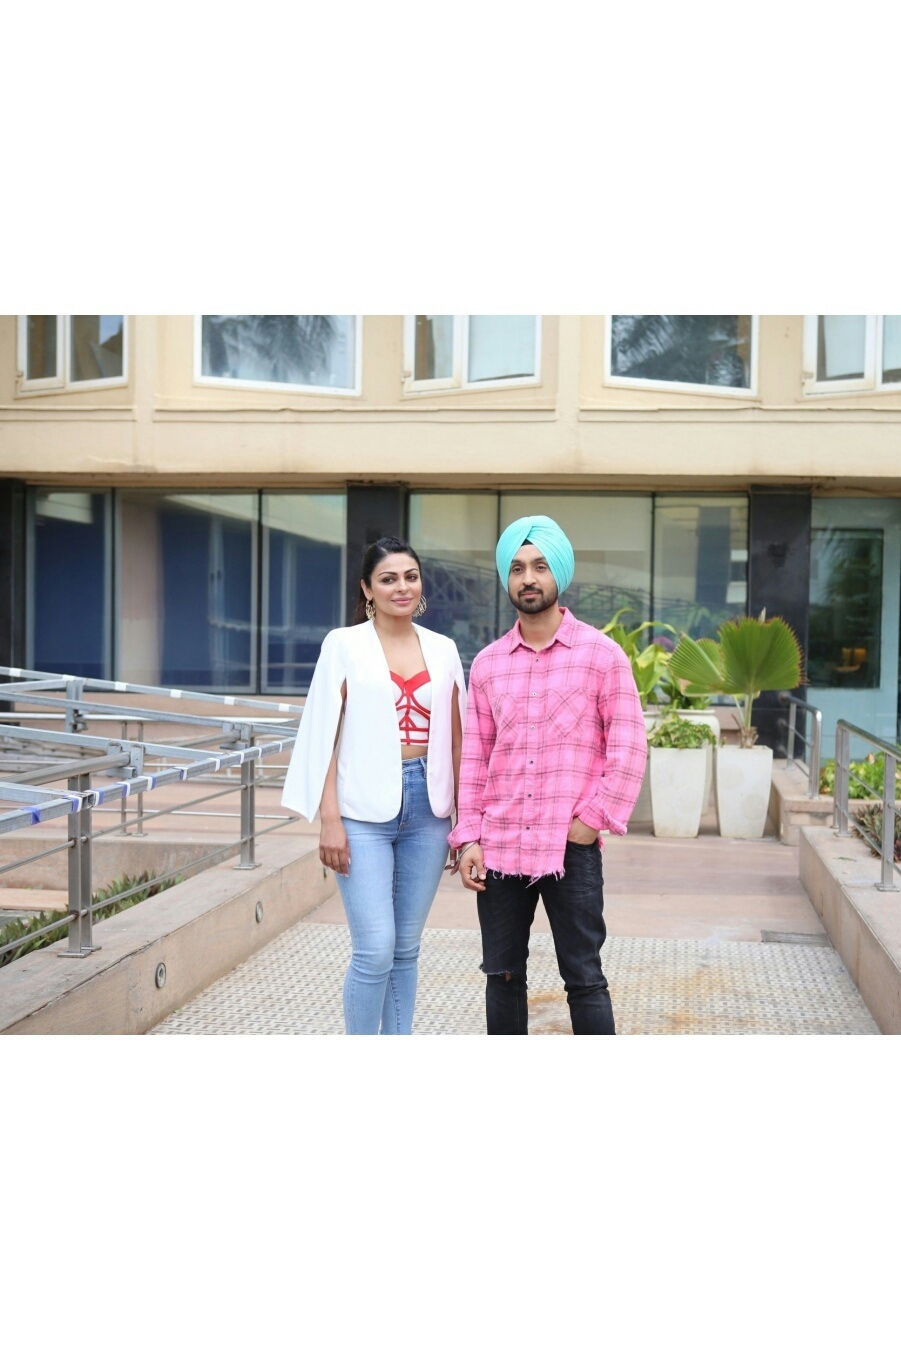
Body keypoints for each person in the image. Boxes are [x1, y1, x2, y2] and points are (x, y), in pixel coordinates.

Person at [447, 515, 646, 1035]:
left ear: (559, 573)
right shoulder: (488, 664)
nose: (527, 578)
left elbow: (628, 746)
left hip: (570, 848)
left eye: (538, 567)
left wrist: (591, 821)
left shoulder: (602, 656)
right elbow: (474, 758)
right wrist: (469, 837)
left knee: (584, 977)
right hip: (502, 845)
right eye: (516, 568)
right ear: (506, 578)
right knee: (503, 977)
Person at [282, 537, 467, 1035]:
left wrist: (463, 823)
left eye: (410, 576)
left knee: (406, 947)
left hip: (428, 808)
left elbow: (457, 741)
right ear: (367, 588)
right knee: (375, 948)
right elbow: (323, 737)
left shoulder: (445, 650)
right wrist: (330, 820)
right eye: (388, 578)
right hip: (361, 812)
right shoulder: (343, 645)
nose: (401, 587)